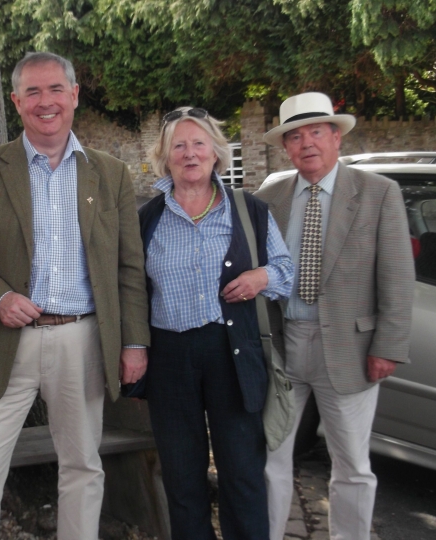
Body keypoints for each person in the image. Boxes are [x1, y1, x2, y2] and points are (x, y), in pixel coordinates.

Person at [0, 51, 150, 540]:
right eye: (32, 91)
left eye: (56, 89)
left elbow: (128, 267)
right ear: (16, 102)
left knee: (82, 467)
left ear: (74, 95)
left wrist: (134, 343)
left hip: (83, 340)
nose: (45, 101)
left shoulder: (110, 173)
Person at [255, 92, 414, 540]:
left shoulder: (379, 193)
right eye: (295, 136)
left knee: (351, 466)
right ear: (286, 146)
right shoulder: (271, 194)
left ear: (336, 137)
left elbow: (398, 278)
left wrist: (388, 347)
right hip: (284, 348)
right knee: (270, 458)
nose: (307, 143)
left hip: (349, 350)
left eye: (317, 132)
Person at [139, 107, 293, 539]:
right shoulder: (147, 217)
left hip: (232, 353)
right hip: (169, 359)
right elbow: (131, 288)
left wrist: (260, 276)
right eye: (179, 146)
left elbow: (284, 269)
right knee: (181, 476)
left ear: (216, 153)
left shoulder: (249, 210)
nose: (190, 154)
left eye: (199, 143)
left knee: (242, 471)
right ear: (165, 157)